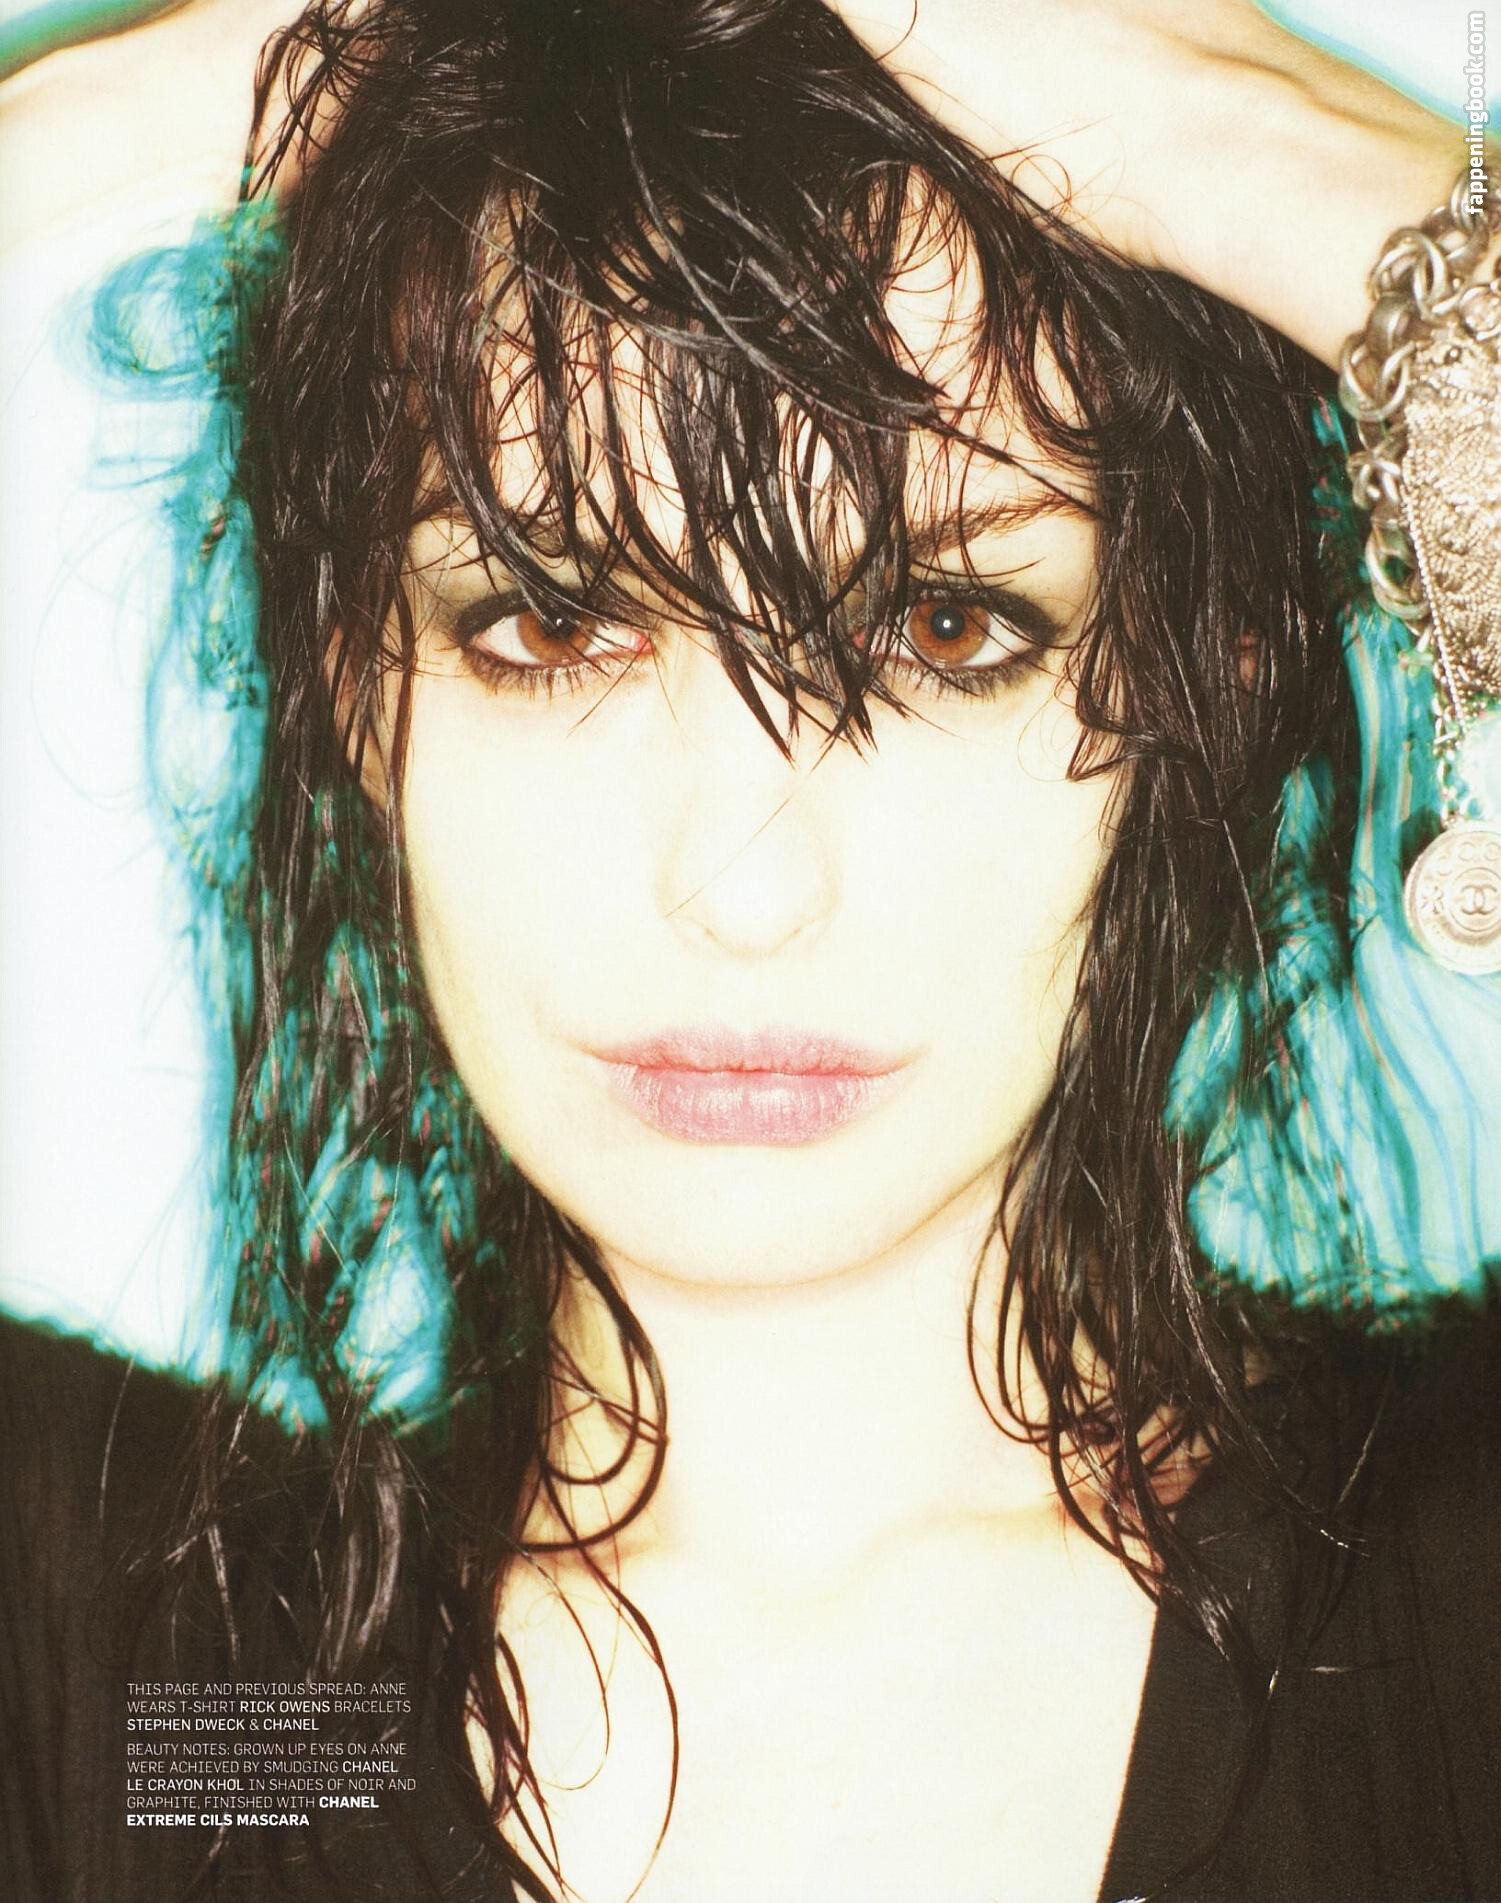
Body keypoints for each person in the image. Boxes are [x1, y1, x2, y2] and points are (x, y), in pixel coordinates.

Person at [2, 2, 1499, 1900]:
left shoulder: (1461, 1600)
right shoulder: (146, 1688)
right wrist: (149, 100)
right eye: (547, 621)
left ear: (1200, 679)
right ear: (349, 681)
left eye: (947, 628)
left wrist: (1250, 144)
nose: (742, 886)